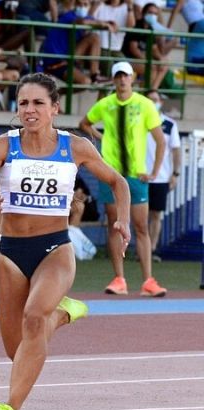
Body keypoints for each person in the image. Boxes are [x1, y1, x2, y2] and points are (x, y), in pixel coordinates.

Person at [0, 72, 131, 410]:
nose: (30, 109)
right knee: (18, 350)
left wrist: (123, 221)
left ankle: (10, 408)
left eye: (38, 102)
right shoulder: (4, 145)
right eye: (23, 103)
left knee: (34, 318)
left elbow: (118, 182)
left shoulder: (75, 147)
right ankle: (62, 314)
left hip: (54, 248)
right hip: (11, 251)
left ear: (54, 108)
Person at [79, 61, 168, 297]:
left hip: (135, 174)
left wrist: (154, 172)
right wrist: (102, 138)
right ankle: (119, 279)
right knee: (113, 223)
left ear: (132, 78)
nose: (122, 80)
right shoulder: (106, 104)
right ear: (113, 79)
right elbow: (84, 124)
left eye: (125, 76)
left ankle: (148, 280)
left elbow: (160, 140)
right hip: (110, 173)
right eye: (118, 76)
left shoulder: (145, 104)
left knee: (141, 226)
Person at [144, 89, 181, 262]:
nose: (153, 103)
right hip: (140, 176)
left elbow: (176, 151)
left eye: (155, 99)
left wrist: (175, 173)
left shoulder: (170, 124)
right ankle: (141, 249)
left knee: (156, 215)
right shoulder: (138, 122)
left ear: (161, 102)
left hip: (161, 177)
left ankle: (151, 250)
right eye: (149, 100)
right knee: (139, 216)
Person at [40, 0, 113, 85]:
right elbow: (83, 22)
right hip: (55, 62)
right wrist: (102, 24)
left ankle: (94, 75)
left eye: (85, 4)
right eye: (79, 4)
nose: (82, 7)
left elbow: (93, 21)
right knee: (85, 82)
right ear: (75, 5)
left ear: (89, 6)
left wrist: (110, 23)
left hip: (68, 59)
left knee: (94, 37)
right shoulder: (68, 16)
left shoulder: (86, 17)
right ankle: (59, 92)